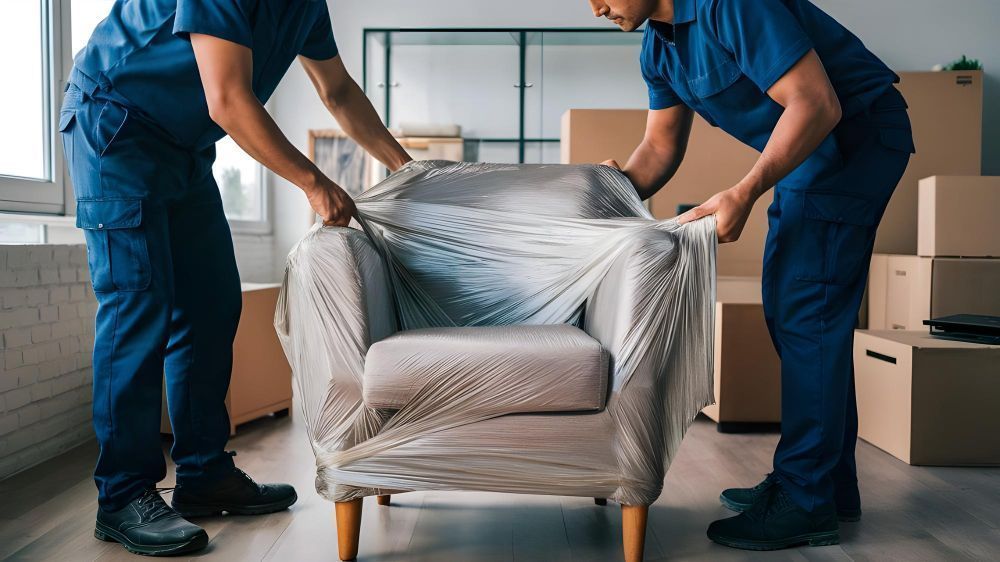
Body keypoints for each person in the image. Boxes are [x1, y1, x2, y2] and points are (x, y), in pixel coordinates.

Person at [60, 0, 411, 555]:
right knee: (138, 311)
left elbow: (338, 91)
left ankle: (202, 476)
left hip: (184, 147)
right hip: (117, 127)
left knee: (212, 306)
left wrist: (406, 168)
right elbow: (228, 98)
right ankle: (123, 494)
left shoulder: (306, 7)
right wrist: (314, 183)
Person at [589, 0, 914, 551]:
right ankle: (828, 487)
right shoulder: (659, 48)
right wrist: (600, 193)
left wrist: (743, 191)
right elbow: (659, 149)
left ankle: (806, 499)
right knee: (798, 314)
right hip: (811, 155)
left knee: (805, 312)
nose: (595, 8)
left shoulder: (732, 5)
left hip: (852, 140)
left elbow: (815, 103)